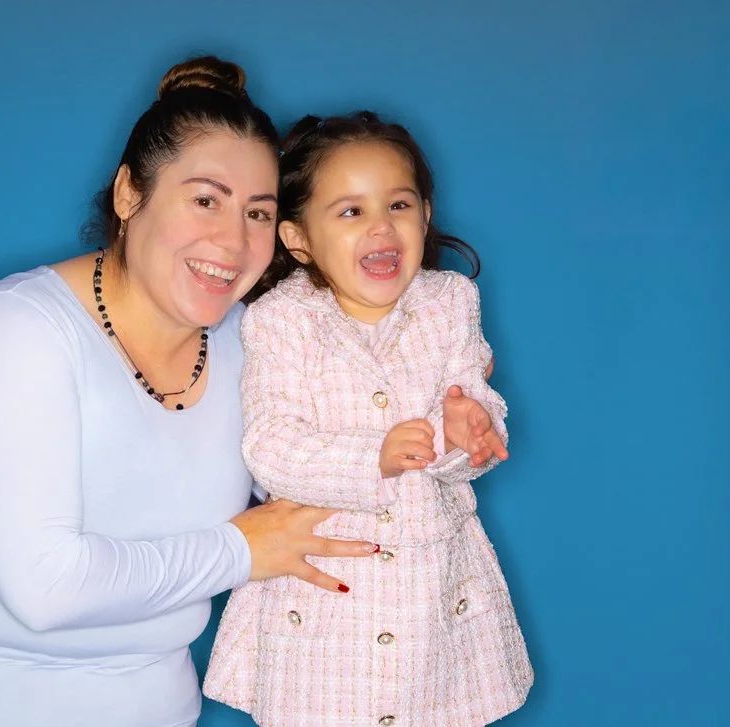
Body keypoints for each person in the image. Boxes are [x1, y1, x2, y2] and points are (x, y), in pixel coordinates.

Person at [0, 57, 383, 727]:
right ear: (128, 194)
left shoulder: (254, 343)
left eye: (258, 213)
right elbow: (46, 587)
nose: (232, 241)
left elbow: (322, 501)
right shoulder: (17, 333)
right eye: (205, 199)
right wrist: (239, 550)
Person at [203, 112, 533, 726]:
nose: (382, 226)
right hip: (324, 589)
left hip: (432, 587)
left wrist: (469, 431)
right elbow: (271, 444)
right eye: (351, 211)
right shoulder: (282, 319)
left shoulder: (449, 302)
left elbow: (473, 415)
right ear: (298, 238)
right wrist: (370, 458)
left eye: (399, 205)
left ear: (426, 215)